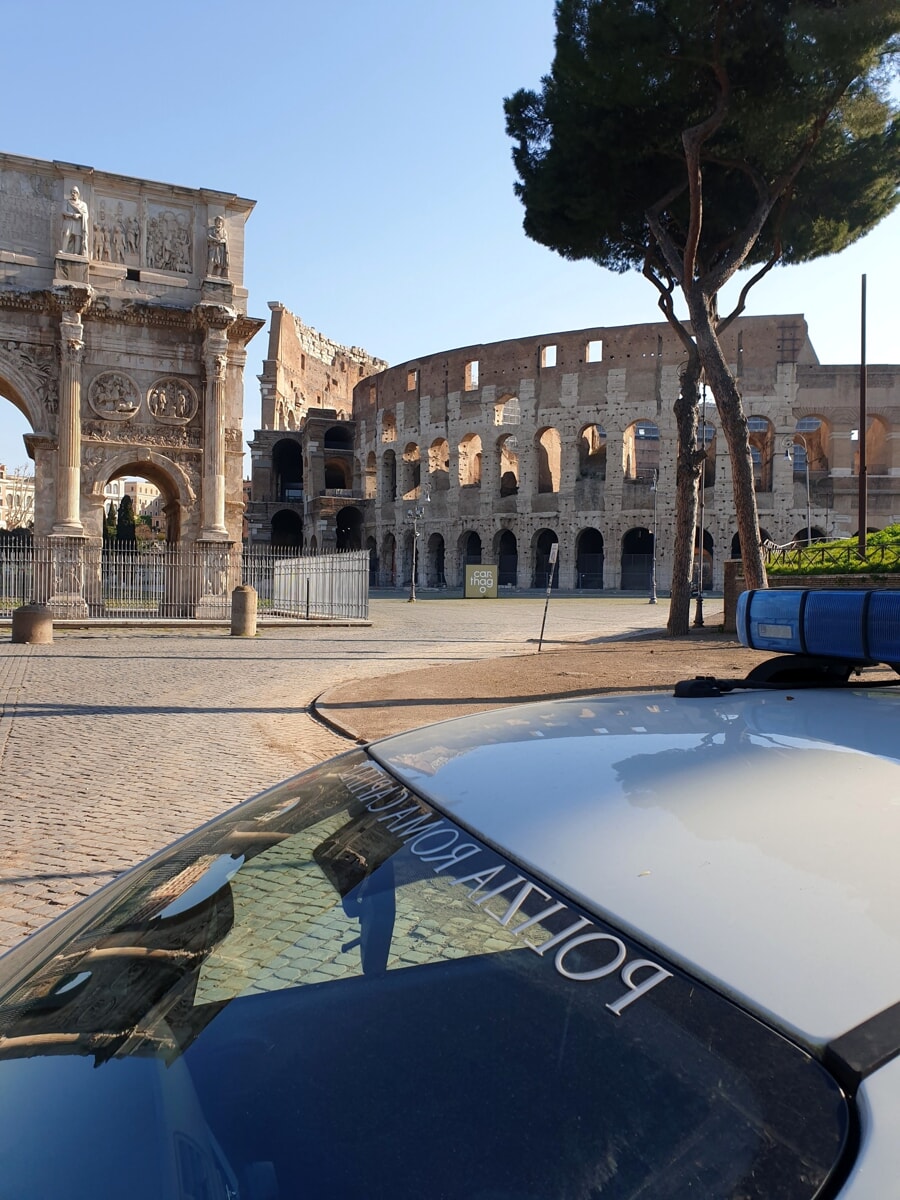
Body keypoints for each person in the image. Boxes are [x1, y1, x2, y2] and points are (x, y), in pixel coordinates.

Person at [61, 187, 89, 256]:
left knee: (77, 237)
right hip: (69, 220)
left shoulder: (83, 204)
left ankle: (76, 253)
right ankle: (64, 250)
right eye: (72, 192)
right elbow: (63, 211)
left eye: (75, 192)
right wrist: (72, 215)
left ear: (78, 194)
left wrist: (79, 215)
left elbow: (86, 215)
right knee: (66, 234)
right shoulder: (67, 202)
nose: (73, 194)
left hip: (78, 222)